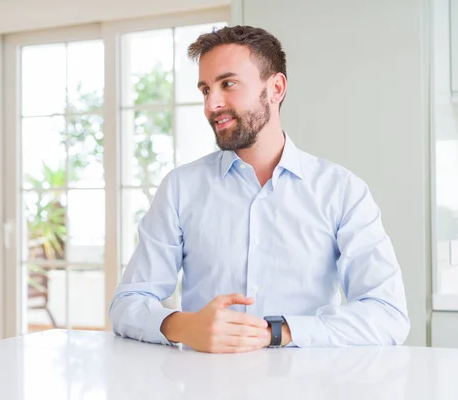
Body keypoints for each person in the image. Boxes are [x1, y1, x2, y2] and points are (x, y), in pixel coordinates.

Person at [109, 25, 410, 353]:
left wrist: (277, 332)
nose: (212, 104)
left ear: (275, 88)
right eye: (205, 89)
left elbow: (388, 314)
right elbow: (127, 303)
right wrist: (184, 325)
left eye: (228, 84)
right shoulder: (180, 188)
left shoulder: (342, 191)